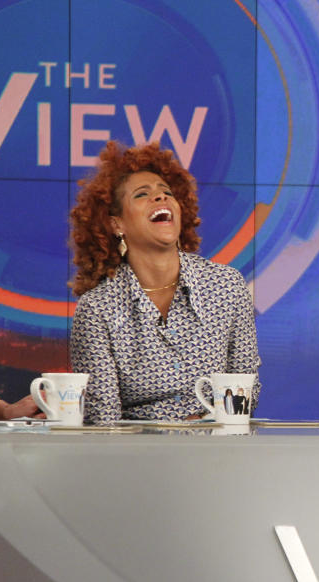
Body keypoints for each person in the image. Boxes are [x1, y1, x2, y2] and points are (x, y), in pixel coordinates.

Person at [69, 141, 260, 424]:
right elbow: (103, 422)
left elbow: (248, 391)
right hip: (136, 460)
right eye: (142, 195)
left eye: (167, 193)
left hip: (217, 452)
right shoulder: (97, 309)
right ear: (116, 224)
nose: (160, 199)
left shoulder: (227, 286)